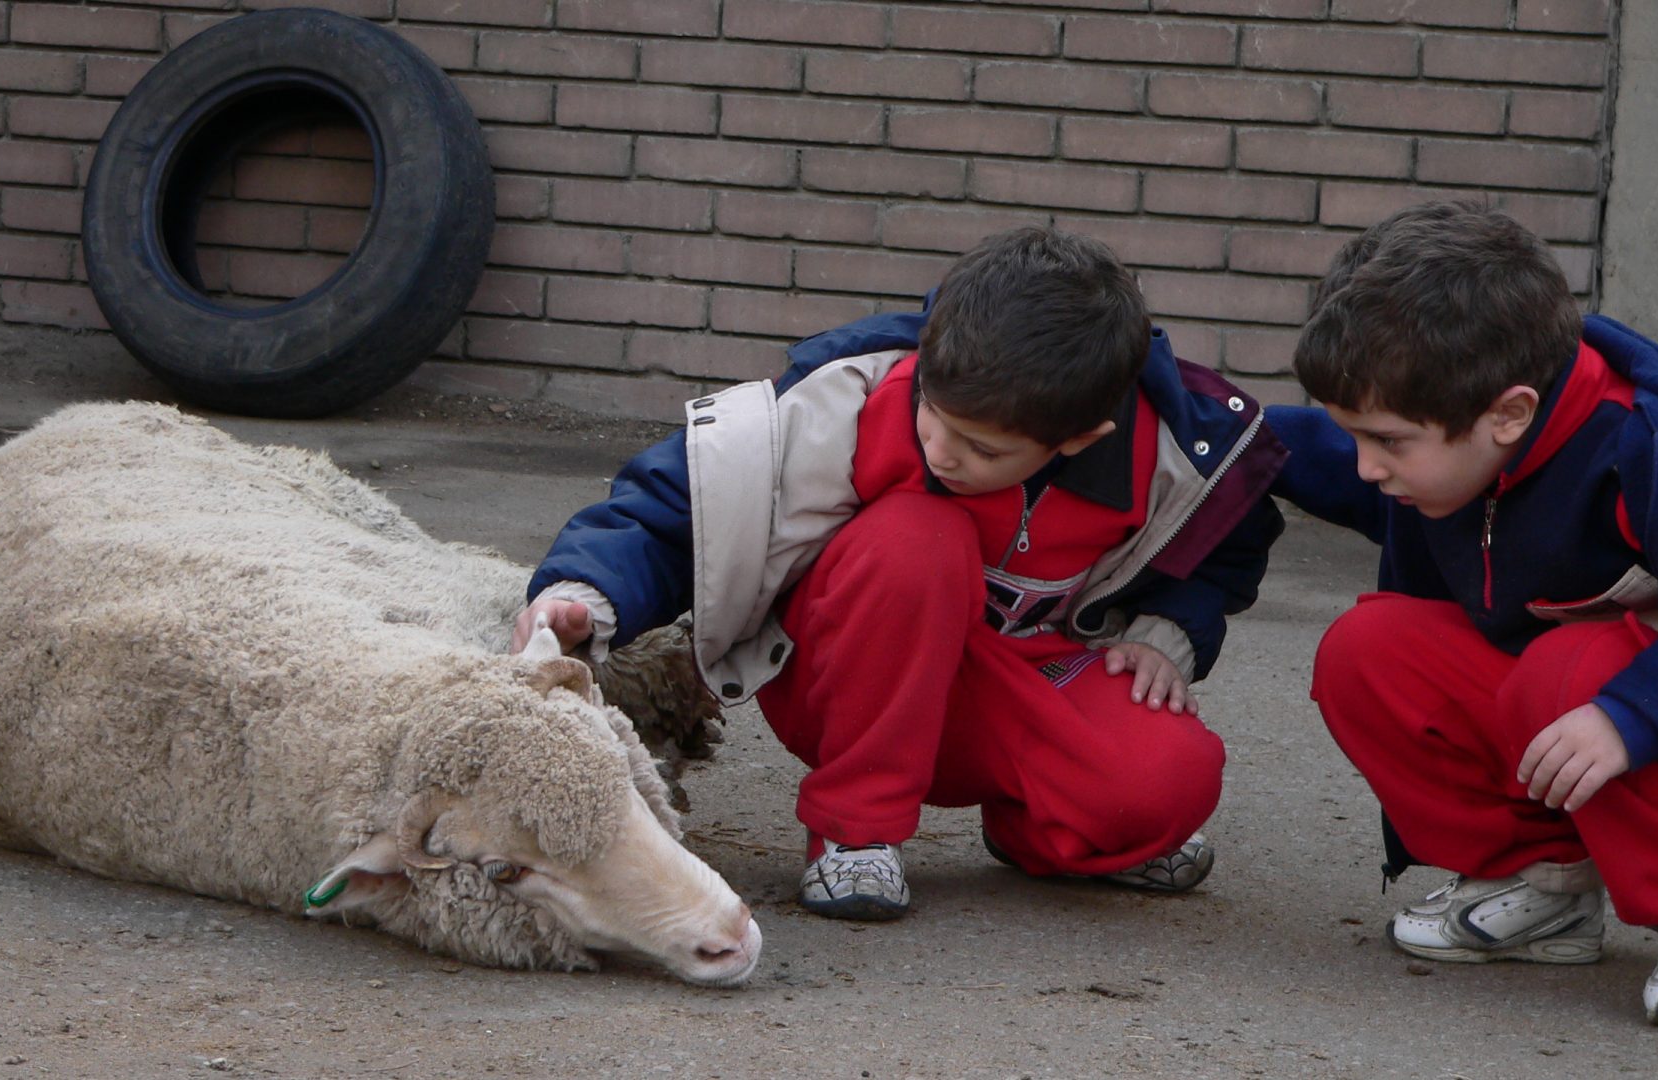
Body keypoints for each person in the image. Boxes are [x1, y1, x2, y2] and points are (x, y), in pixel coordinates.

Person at [515, 225, 1286, 920]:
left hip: (1011, 673)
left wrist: (1173, 627)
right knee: (919, 536)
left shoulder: (1176, 453)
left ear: (1081, 439)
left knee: (1173, 778)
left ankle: (1042, 836)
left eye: (984, 450)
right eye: (936, 417)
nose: (945, 452)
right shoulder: (847, 396)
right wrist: (587, 591)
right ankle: (855, 833)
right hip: (842, 665)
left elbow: (1228, 530)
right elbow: (684, 501)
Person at [1266, 199, 1658, 1025]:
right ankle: (1545, 885)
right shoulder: (1449, 429)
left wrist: (1633, 712)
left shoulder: (1640, 445)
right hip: (1568, 704)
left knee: (1571, 672)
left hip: (1628, 700)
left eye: (1387, 442)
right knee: (1369, 648)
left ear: (1510, 413)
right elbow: (1251, 438)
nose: (1366, 466)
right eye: (1353, 435)